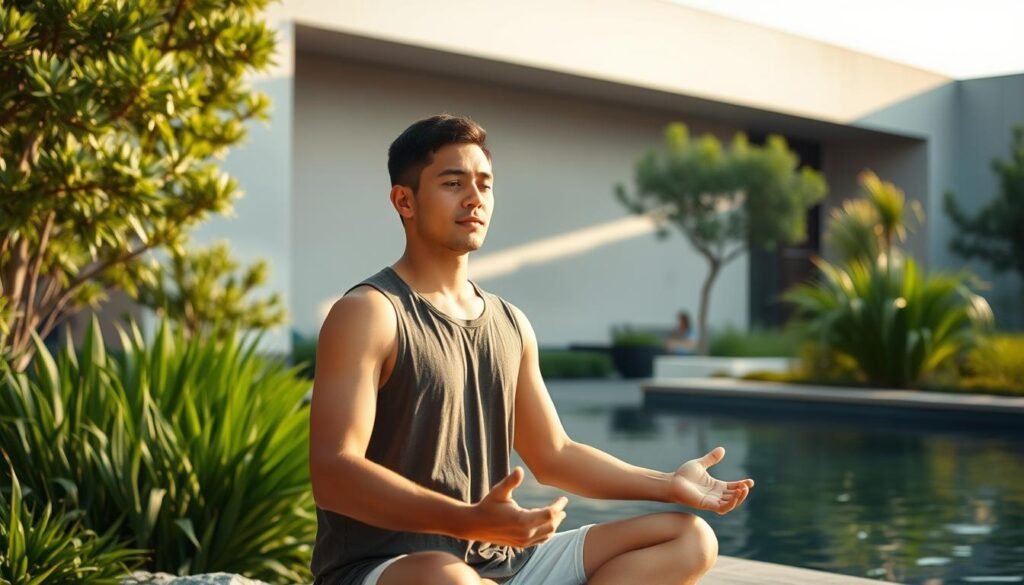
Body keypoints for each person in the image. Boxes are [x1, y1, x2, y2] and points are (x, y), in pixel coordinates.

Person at [308, 115, 754, 585]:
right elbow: (334, 473)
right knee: (448, 577)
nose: (474, 198)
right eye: (453, 182)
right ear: (405, 200)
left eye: (485, 183)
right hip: (390, 569)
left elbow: (554, 454)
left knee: (689, 537)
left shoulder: (510, 323)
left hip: (501, 561)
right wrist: (466, 520)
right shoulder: (369, 313)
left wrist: (669, 485)